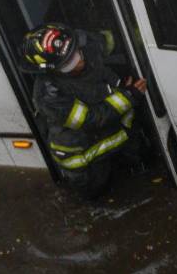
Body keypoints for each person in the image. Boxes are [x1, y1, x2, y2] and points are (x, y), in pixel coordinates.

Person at [23, 23, 148, 199]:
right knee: (97, 195)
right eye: (69, 63)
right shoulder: (49, 95)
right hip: (80, 156)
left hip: (109, 132)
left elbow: (119, 38)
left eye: (76, 53)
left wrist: (145, 34)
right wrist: (129, 95)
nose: (79, 61)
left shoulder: (84, 42)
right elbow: (92, 118)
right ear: (53, 70)